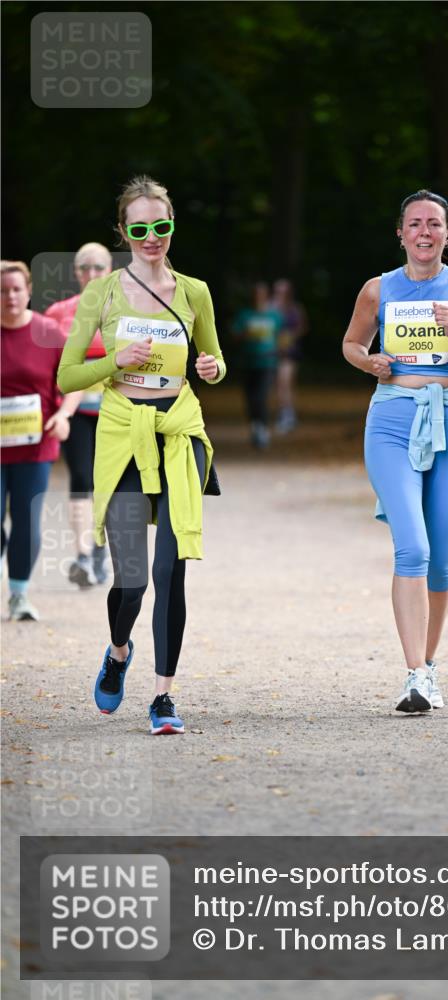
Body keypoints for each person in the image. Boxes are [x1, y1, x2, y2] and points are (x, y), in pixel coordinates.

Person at [57, 175, 226, 735]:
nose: (152, 237)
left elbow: (215, 360)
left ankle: (164, 697)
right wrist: (116, 358)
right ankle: (118, 650)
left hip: (178, 433)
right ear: (123, 232)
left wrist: (210, 369)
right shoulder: (99, 294)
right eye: (140, 228)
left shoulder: (195, 291)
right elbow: (68, 375)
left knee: (170, 572)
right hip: (123, 435)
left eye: (162, 226)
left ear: (172, 225)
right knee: (132, 581)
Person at [342, 190, 448, 713]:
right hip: (391, 419)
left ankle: (429, 667)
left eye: (434, 223)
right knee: (412, 547)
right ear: (402, 233)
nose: (425, 232)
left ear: (447, 233)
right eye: (415, 224)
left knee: (443, 561)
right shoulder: (377, 289)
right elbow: (351, 345)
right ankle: (413, 674)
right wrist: (372, 364)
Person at [1, 260, 82, 621]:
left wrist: (64, 415)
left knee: (26, 519)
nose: (10, 296)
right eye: (3, 291)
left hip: (35, 447)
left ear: (29, 291)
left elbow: (78, 379)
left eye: (17, 289)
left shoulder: (48, 332)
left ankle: (19, 595)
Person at [45, 242, 113, 588]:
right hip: (76, 411)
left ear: (110, 270)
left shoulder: (126, 308)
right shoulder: (58, 313)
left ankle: (101, 550)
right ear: (75, 273)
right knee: (81, 479)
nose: (91, 274)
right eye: (85, 268)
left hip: (117, 410)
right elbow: (48, 364)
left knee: (110, 483)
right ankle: (83, 555)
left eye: (98, 267)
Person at [232, 281, 282, 449]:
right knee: (250, 397)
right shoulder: (244, 315)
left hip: (267, 361)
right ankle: (255, 425)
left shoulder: (274, 315)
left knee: (261, 396)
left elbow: (283, 336)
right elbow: (234, 336)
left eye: (261, 294)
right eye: (255, 294)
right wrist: (245, 334)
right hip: (248, 361)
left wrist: (279, 349)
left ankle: (262, 428)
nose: (258, 297)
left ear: (266, 296)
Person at [271, 278, 308, 434]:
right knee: (280, 384)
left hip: (290, 352)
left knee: (286, 382)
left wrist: (290, 337)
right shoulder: (270, 308)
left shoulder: (295, 308)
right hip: (273, 351)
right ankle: (285, 413)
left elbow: (303, 327)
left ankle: (288, 414)